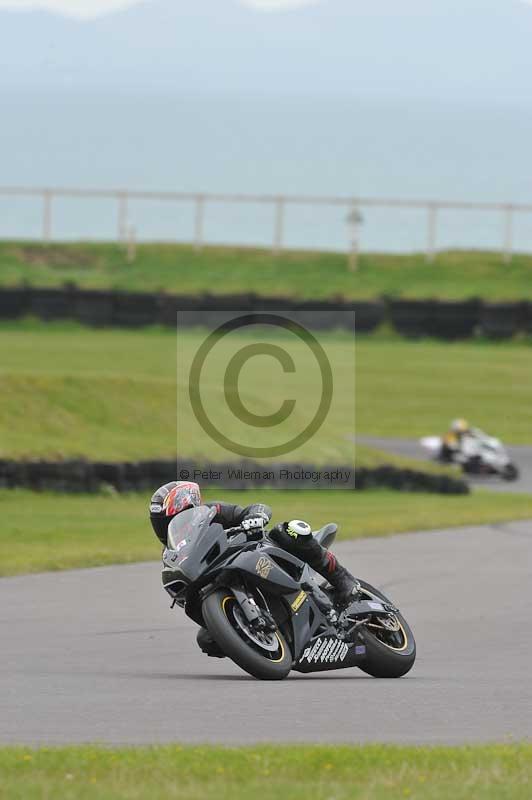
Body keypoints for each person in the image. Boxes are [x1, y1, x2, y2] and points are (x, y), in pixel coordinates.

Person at [149, 480, 358, 657]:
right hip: (225, 579)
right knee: (207, 639)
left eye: (168, 519)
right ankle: (267, 642)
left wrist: (255, 517)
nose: (164, 526)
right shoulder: (173, 551)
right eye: (160, 522)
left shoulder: (212, 512)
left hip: (261, 551)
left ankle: (342, 579)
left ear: (186, 507)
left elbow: (254, 508)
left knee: (290, 530)